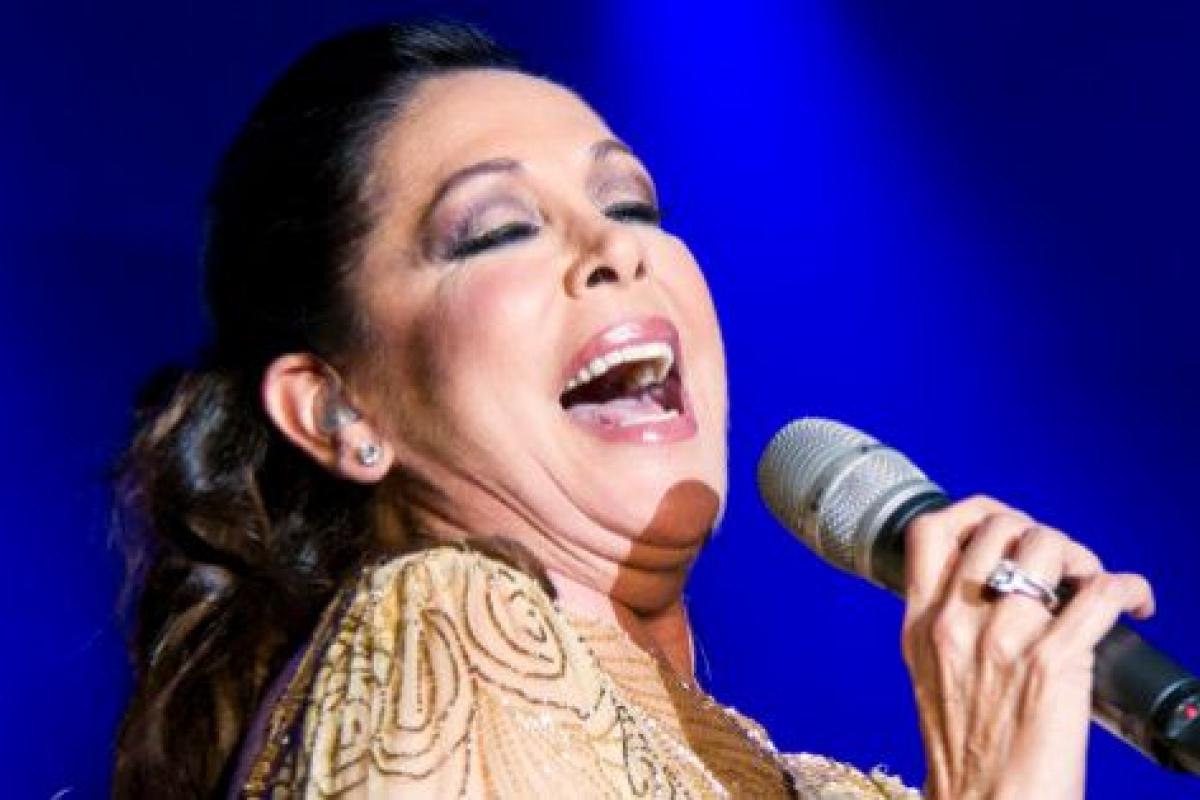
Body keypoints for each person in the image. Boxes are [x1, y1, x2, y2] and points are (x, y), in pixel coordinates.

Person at [111, 19, 1155, 799]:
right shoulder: (442, 619)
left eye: (633, 205)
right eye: (498, 229)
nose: (618, 247)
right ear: (337, 413)